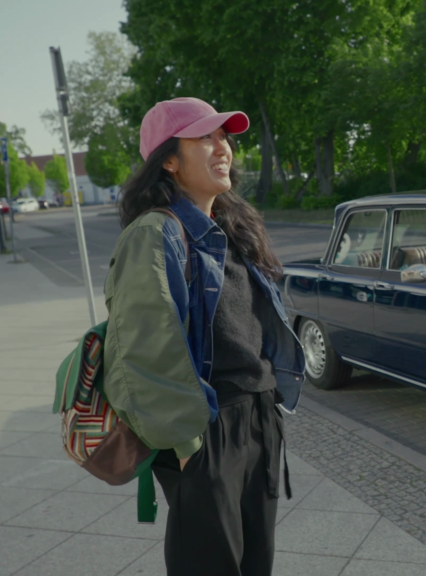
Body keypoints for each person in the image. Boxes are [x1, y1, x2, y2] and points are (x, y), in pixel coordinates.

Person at [103, 97, 305, 576]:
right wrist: (188, 445)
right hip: (206, 428)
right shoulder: (156, 233)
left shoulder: (231, 227)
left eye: (225, 137)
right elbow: (144, 352)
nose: (223, 148)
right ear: (169, 160)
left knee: (255, 562)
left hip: (257, 418)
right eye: (206, 138)